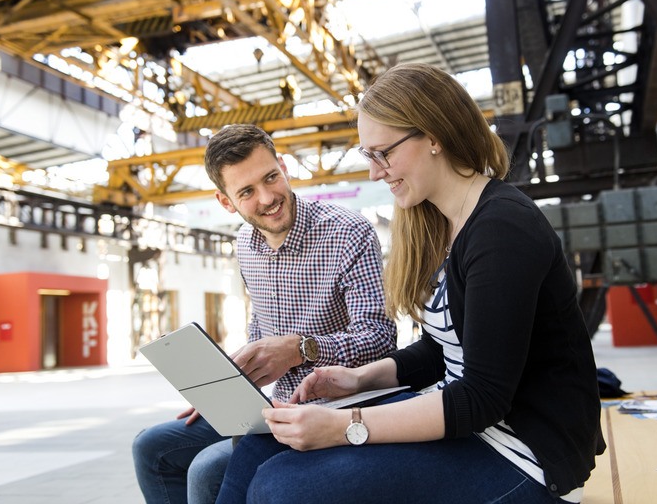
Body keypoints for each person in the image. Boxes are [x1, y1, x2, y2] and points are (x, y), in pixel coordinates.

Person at [214, 63, 606, 504]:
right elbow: (443, 349)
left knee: (280, 486)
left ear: (433, 136)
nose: (375, 173)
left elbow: (483, 397)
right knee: (257, 447)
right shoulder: (446, 224)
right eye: (370, 156)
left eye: (383, 153)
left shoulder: (501, 230)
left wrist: (347, 425)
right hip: (470, 423)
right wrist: (359, 380)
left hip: (525, 451)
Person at [132, 124, 398, 504]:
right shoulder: (245, 244)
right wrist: (220, 384)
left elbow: (380, 338)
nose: (269, 197)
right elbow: (261, 326)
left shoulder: (348, 232)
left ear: (284, 166)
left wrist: (302, 349)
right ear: (226, 202)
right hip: (272, 408)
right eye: (247, 192)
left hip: (337, 408)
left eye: (271, 177)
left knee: (206, 471)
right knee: (151, 448)